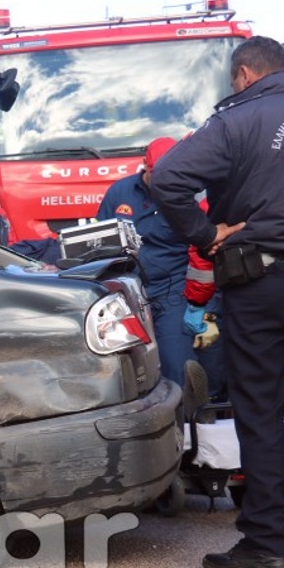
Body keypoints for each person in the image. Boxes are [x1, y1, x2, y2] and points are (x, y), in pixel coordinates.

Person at [149, 35, 284, 568]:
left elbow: (168, 178)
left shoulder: (237, 120)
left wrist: (206, 235)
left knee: (260, 412)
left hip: (262, 283)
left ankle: (266, 544)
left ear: (246, 75)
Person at [96, 137, 197, 389]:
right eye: (156, 173)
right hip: (127, 295)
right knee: (126, 373)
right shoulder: (119, 193)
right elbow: (96, 245)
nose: (163, 179)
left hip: (172, 292)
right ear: (144, 166)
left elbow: (202, 251)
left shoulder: (186, 196)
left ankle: (184, 423)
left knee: (177, 366)